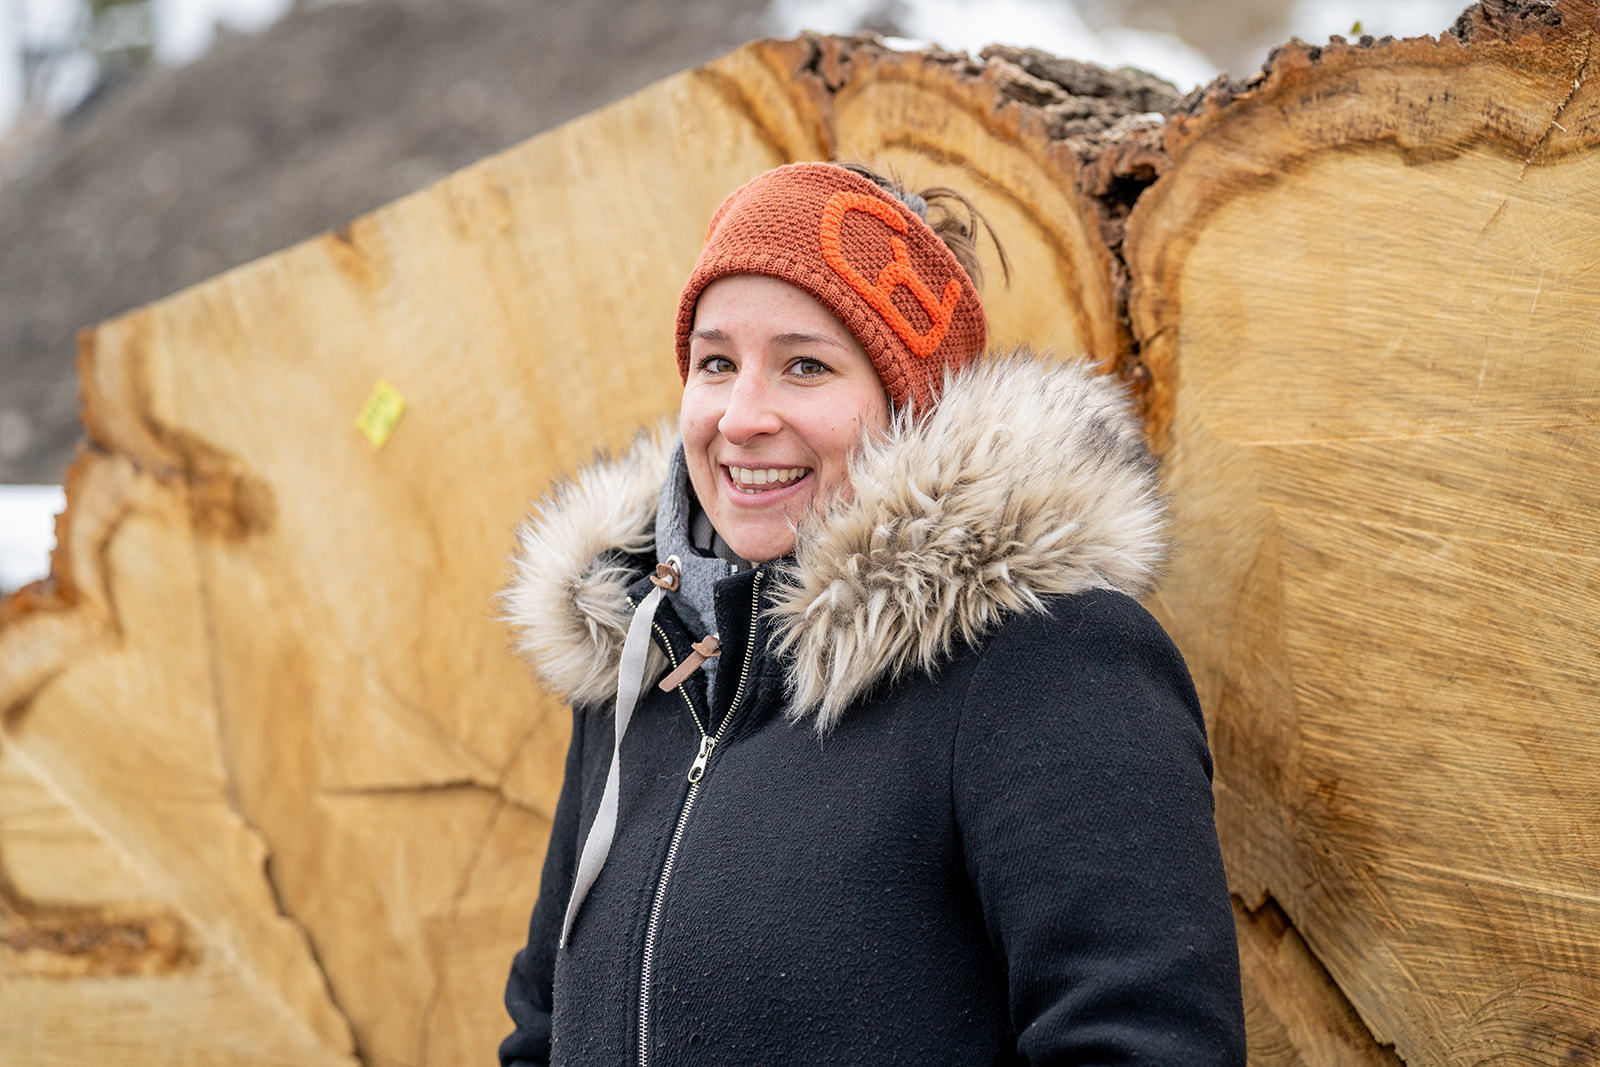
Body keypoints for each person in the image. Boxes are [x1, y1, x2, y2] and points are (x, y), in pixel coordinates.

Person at [497, 160, 1245, 1064]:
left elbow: (1142, 1045)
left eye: (805, 365)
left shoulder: (1048, 662)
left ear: (909, 404)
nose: (741, 416)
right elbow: (540, 1032)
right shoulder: (640, 673)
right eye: (716, 362)